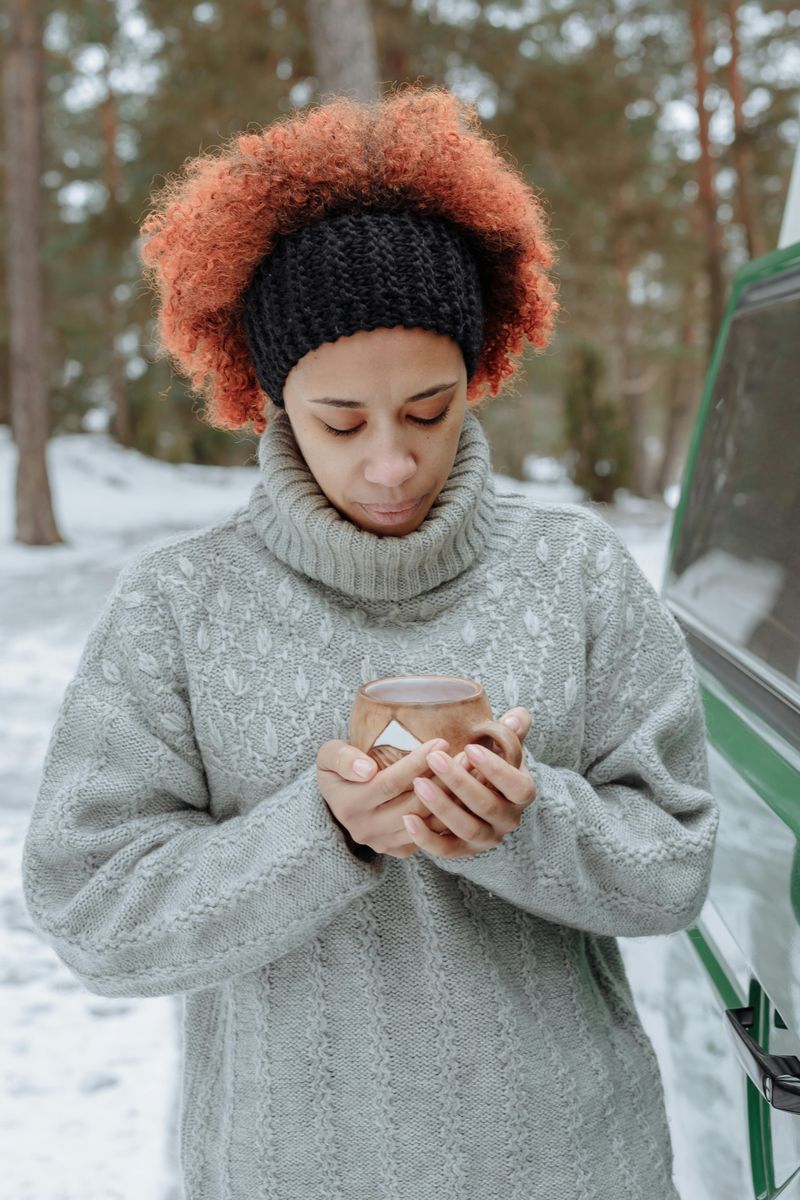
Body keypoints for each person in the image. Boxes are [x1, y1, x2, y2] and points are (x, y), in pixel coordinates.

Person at [21, 84, 719, 1199]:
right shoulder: (180, 606)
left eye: (429, 410)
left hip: (573, 1169)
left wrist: (523, 821)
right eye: (339, 421)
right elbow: (93, 911)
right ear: (267, 397)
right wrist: (323, 836)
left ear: (478, 373)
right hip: (284, 1172)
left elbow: (672, 866)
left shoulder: (575, 575)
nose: (390, 462)